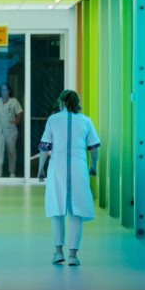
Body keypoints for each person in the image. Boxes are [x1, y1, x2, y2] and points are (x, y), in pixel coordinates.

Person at [36, 90, 100, 266]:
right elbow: (93, 148)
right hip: (79, 168)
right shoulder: (86, 120)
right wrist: (93, 166)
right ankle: (73, 256)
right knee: (76, 213)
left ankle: (58, 253)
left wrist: (41, 168)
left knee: (57, 212)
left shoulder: (53, 119)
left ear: (62, 102)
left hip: (57, 168)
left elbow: (44, 147)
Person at [0, 83, 23, 177]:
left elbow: (19, 112)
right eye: (2, 90)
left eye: (5, 90)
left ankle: (12, 171)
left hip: (11, 129)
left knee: (11, 150)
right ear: (0, 91)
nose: (4, 91)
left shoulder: (14, 101)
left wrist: (18, 119)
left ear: (9, 90)